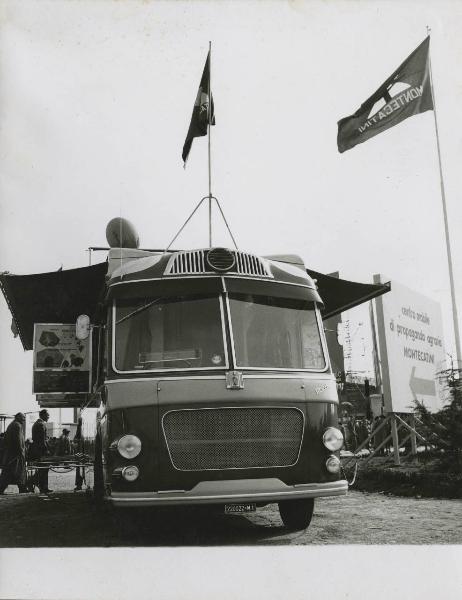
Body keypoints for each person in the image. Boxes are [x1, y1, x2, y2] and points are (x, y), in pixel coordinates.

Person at [0, 413, 27, 494]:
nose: (24, 419)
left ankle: (22, 488)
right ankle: (21, 488)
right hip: (15, 454)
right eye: (23, 418)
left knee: (14, 472)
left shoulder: (13, 424)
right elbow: (18, 440)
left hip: (11, 453)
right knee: (13, 472)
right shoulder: (17, 426)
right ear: (18, 417)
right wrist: (21, 452)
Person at [30, 409, 52, 494]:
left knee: (42, 469)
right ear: (42, 415)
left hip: (37, 450)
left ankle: (42, 486)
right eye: (47, 415)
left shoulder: (36, 424)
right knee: (44, 469)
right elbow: (42, 440)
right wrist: (46, 450)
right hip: (41, 451)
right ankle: (41, 486)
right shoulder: (41, 424)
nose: (48, 417)